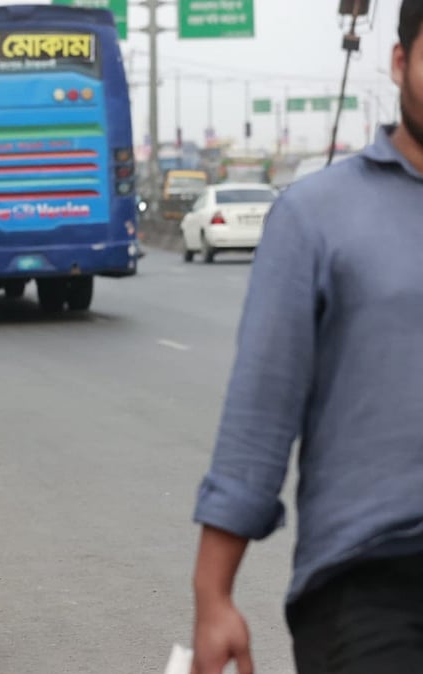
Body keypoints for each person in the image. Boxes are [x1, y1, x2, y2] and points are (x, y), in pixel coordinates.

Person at [190, 4, 423, 673]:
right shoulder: (319, 215)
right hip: (370, 584)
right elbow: (261, 410)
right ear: (400, 62)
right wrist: (214, 595)